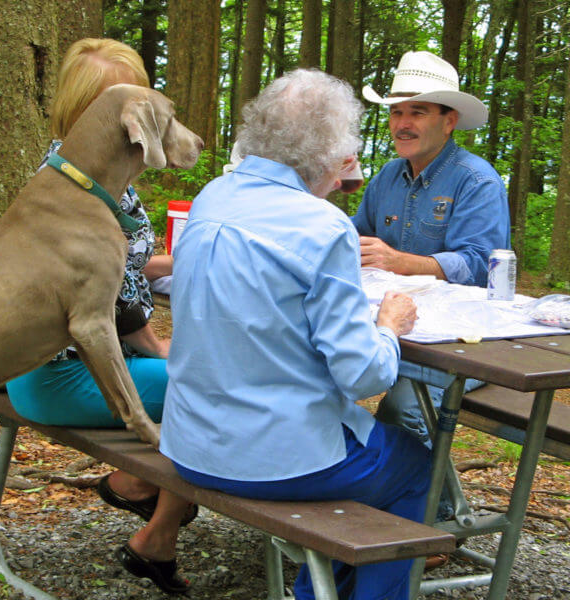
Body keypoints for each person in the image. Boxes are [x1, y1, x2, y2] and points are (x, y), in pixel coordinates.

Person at [159, 69, 431, 600]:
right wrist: (388, 327)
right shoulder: (322, 225)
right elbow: (361, 376)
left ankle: (318, 587)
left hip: (190, 445)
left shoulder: (214, 196)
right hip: (275, 459)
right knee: (415, 463)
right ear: (331, 152)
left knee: (374, 456)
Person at [4, 38, 193, 593]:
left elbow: (120, 266)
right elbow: (112, 304)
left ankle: (140, 493)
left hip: (37, 370)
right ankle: (149, 519)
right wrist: (161, 350)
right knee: (213, 387)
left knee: (201, 377)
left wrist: (172, 261)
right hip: (60, 377)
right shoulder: (91, 189)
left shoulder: (69, 170)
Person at [351, 51, 510, 485]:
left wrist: (401, 262)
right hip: (396, 331)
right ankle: (348, 500)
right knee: (316, 379)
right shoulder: (387, 176)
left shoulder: (476, 180)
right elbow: (352, 237)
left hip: (463, 345)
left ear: (449, 119)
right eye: (397, 112)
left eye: (417, 112)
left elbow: (483, 265)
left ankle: (424, 525)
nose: (402, 123)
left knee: (405, 407)